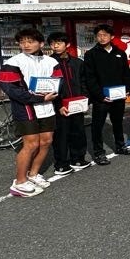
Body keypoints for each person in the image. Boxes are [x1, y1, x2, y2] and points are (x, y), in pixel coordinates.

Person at [0, 28, 61, 197]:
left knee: (46, 141)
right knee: (31, 144)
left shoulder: (51, 61)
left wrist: (53, 93)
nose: (26, 45)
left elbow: (58, 81)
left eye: (30, 41)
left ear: (41, 43)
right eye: (22, 42)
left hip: (47, 107)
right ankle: (19, 182)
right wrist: (39, 97)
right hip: (25, 108)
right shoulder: (13, 62)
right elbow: (11, 89)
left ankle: (33, 174)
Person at [83, 24, 130, 164]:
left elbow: (126, 73)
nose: (102, 37)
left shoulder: (120, 53)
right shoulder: (91, 54)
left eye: (105, 35)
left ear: (112, 37)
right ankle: (99, 153)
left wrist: (128, 89)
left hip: (118, 96)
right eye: (99, 35)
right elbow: (90, 78)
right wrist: (99, 95)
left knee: (117, 122)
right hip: (101, 98)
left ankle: (120, 146)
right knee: (97, 126)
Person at [48, 32, 90, 175]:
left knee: (78, 131)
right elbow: (49, 87)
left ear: (67, 45)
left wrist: (85, 99)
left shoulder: (77, 62)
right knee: (61, 135)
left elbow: (84, 82)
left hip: (77, 103)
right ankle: (61, 164)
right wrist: (58, 105)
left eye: (58, 43)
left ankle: (78, 159)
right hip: (60, 105)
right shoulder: (49, 63)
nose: (55, 46)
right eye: (52, 43)